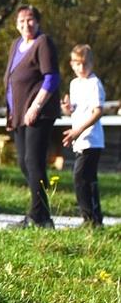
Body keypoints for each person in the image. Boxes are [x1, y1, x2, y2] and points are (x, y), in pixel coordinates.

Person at [3, 5, 60, 229]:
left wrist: (35, 106)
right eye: (21, 21)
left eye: (30, 20)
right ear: (16, 24)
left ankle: (37, 216)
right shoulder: (16, 45)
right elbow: (11, 80)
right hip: (19, 115)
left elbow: (51, 78)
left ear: (37, 22)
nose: (26, 25)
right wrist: (10, 113)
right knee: (24, 163)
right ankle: (43, 215)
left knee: (33, 162)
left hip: (38, 113)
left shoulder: (43, 43)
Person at [61, 44, 105, 229]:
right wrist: (67, 110)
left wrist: (78, 130)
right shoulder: (74, 84)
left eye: (85, 63)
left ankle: (91, 218)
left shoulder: (94, 84)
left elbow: (97, 112)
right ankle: (93, 219)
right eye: (77, 64)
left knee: (81, 177)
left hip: (91, 139)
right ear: (72, 64)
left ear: (91, 63)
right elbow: (75, 112)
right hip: (79, 140)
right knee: (86, 178)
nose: (81, 68)